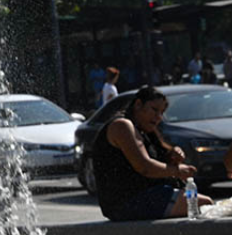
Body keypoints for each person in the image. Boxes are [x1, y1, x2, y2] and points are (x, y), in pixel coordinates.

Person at [90, 86, 213, 221]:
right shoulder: (122, 125)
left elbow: (153, 163)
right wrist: (176, 170)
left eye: (162, 112)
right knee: (203, 205)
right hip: (127, 203)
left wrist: (171, 157)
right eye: (154, 110)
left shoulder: (144, 130)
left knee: (203, 204)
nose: (158, 117)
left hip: (144, 196)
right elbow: (144, 167)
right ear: (138, 105)